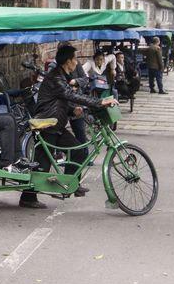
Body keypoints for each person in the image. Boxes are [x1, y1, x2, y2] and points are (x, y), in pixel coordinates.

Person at [23, 45, 119, 209]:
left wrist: (71, 110)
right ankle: (27, 198)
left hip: (56, 124)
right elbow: (70, 95)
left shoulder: (61, 76)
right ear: (68, 61)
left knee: (78, 151)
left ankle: (68, 184)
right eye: (75, 59)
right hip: (47, 124)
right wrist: (99, 102)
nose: (76, 62)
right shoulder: (56, 77)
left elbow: (59, 100)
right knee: (42, 164)